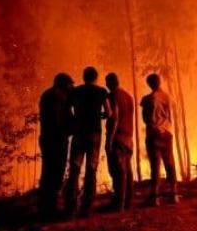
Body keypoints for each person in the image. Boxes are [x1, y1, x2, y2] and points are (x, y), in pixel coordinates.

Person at [64, 66, 112, 218]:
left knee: (75, 169)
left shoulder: (75, 92)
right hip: (94, 134)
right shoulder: (101, 91)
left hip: (78, 133)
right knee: (91, 169)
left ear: (84, 77)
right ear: (96, 78)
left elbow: (67, 109)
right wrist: (101, 115)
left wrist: (74, 120)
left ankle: (70, 208)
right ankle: (87, 208)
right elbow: (109, 112)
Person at [38, 72, 75, 220]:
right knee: (56, 173)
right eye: (69, 84)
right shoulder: (61, 97)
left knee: (47, 172)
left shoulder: (46, 94)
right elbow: (64, 120)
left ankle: (45, 207)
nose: (71, 87)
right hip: (58, 139)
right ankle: (51, 210)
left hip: (46, 138)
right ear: (63, 84)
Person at [140, 73, 178, 206]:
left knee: (155, 165)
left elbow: (145, 119)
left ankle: (155, 197)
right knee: (170, 163)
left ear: (149, 84)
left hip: (154, 134)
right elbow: (173, 115)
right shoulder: (169, 97)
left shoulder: (147, 99)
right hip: (167, 133)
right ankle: (174, 194)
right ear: (159, 82)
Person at [105, 72, 134, 212]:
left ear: (109, 83)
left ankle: (119, 204)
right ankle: (128, 200)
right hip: (129, 137)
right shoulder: (128, 96)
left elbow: (115, 118)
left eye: (106, 82)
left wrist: (109, 139)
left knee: (118, 171)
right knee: (127, 169)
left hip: (118, 136)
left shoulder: (112, 95)